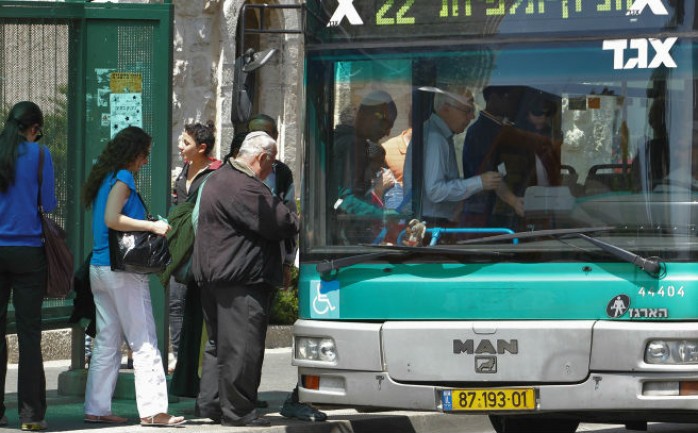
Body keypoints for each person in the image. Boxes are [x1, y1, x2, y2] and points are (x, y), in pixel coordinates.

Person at [192, 131, 299, 427]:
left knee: (218, 345)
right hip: (241, 278)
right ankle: (238, 411)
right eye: (272, 162)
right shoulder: (245, 187)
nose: (271, 169)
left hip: (214, 276)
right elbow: (282, 222)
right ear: (262, 158)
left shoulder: (217, 178)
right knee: (242, 346)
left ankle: (211, 405)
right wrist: (292, 213)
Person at [81, 126, 185, 427]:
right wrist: (153, 227)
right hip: (123, 273)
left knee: (106, 341)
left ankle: (97, 407)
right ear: (133, 153)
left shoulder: (105, 176)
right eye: (144, 155)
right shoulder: (124, 177)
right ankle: (154, 410)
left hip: (100, 269)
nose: (144, 161)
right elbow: (113, 219)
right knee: (144, 340)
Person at [247, 114, 327, 421]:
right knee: (243, 335)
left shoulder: (281, 173)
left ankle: (249, 394)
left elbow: (291, 218)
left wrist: (286, 262)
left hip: (268, 260)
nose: (269, 143)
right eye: (263, 136)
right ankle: (244, 395)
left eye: (272, 135)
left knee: (256, 329)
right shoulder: (235, 171)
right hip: (240, 263)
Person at [0, 101, 54, 431]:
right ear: (33, 128)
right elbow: (48, 203)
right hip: (29, 251)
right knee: (29, 334)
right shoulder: (40, 155)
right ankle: (31, 415)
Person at [403, 86, 501, 228]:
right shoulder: (436, 138)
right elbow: (435, 191)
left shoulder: (434, 133)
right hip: (430, 223)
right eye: (467, 111)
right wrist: (479, 182)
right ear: (445, 109)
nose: (472, 116)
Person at [168, 121, 222, 377]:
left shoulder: (216, 173)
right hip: (181, 248)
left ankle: (200, 368)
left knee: (199, 307)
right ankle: (181, 359)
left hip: (203, 250)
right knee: (175, 304)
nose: (180, 146)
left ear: (201, 148)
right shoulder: (183, 170)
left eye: (185, 143)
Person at [330, 91, 398, 244]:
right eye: (387, 124)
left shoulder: (346, 141)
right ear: (371, 116)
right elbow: (345, 200)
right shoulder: (353, 144)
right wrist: (383, 215)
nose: (387, 133)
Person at [461, 85, 524, 227]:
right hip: (484, 212)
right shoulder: (480, 132)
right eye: (512, 99)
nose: (515, 104)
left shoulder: (502, 129)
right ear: (494, 98)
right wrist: (513, 201)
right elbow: (488, 175)